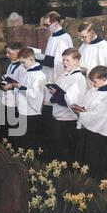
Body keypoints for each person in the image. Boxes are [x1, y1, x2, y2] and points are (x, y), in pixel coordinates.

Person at [72, 66, 107, 180]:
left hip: (98, 134)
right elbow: (88, 106)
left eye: (95, 81)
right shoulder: (93, 90)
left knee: (95, 165)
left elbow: (99, 117)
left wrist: (81, 113)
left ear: (103, 79)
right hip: (88, 131)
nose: (93, 84)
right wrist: (81, 109)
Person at [40, 11, 73, 158]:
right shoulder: (52, 36)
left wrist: (44, 60)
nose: (46, 27)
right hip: (48, 77)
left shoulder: (64, 38)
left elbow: (63, 62)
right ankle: (48, 147)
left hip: (57, 78)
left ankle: (57, 151)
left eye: (47, 25)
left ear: (56, 23)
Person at [49, 48, 87, 162]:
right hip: (59, 116)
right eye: (63, 60)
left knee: (67, 149)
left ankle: (68, 174)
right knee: (59, 147)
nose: (65, 63)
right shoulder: (64, 75)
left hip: (68, 119)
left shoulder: (78, 77)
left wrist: (56, 95)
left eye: (68, 60)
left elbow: (71, 100)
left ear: (76, 61)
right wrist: (54, 94)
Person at [11, 47, 46, 149]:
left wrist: (19, 86)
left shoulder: (38, 75)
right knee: (23, 140)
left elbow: (34, 94)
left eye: (23, 62)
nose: (22, 65)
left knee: (30, 141)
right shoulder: (29, 72)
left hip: (31, 112)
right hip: (24, 110)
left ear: (31, 58)